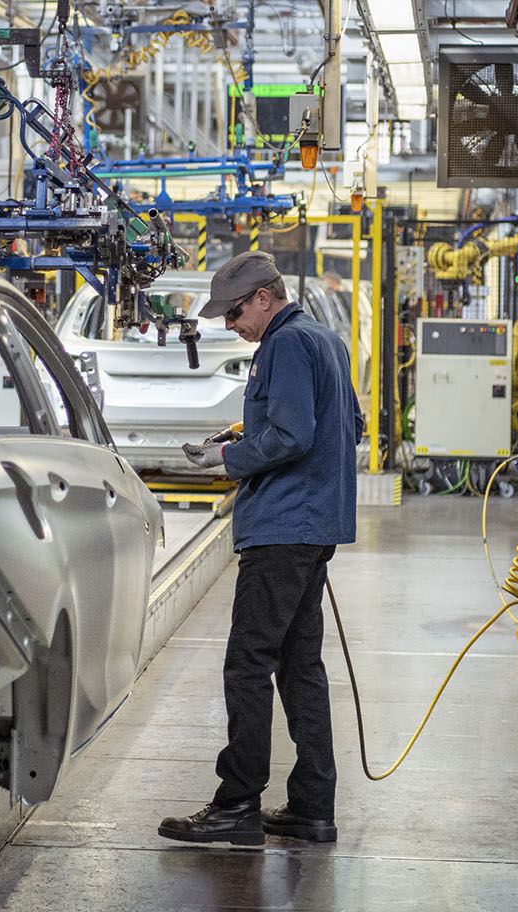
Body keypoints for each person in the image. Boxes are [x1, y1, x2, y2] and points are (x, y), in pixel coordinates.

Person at [156, 249, 359, 848]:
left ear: (266, 298)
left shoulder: (285, 345)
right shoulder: (325, 339)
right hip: (313, 524)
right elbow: (337, 420)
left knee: (248, 665)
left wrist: (229, 458)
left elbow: (295, 436)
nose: (229, 325)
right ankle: (311, 807)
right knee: (301, 669)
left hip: (282, 527)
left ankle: (236, 804)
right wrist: (249, 434)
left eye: (236, 311)